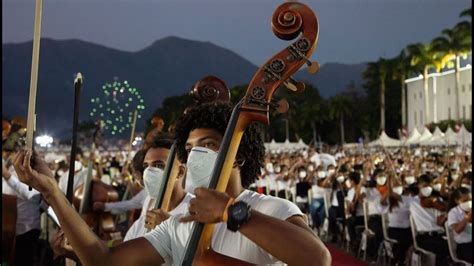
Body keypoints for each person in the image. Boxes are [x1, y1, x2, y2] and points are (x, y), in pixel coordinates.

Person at [14, 102, 331, 266]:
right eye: (191, 149)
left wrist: (233, 212)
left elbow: (317, 260)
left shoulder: (271, 207)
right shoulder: (180, 223)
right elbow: (103, 261)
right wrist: (52, 191)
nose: (196, 155)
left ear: (238, 157)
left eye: (208, 144)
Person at [3, 152, 42, 266]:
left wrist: (7, 176)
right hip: (10, 228)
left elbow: (29, 193)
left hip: (27, 229)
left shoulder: (34, 172)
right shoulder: (10, 169)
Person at [409, 174, 449, 266]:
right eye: (425, 186)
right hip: (424, 237)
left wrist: (446, 214)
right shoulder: (412, 201)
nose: (428, 188)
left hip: (440, 235)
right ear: (418, 186)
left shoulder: (436, 200)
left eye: (430, 186)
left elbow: (439, 222)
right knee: (444, 248)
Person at [447, 187, 472, 263]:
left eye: (470, 199)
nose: (468, 202)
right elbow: (457, 230)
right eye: (465, 200)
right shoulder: (453, 213)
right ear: (457, 201)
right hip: (464, 246)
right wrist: (467, 219)